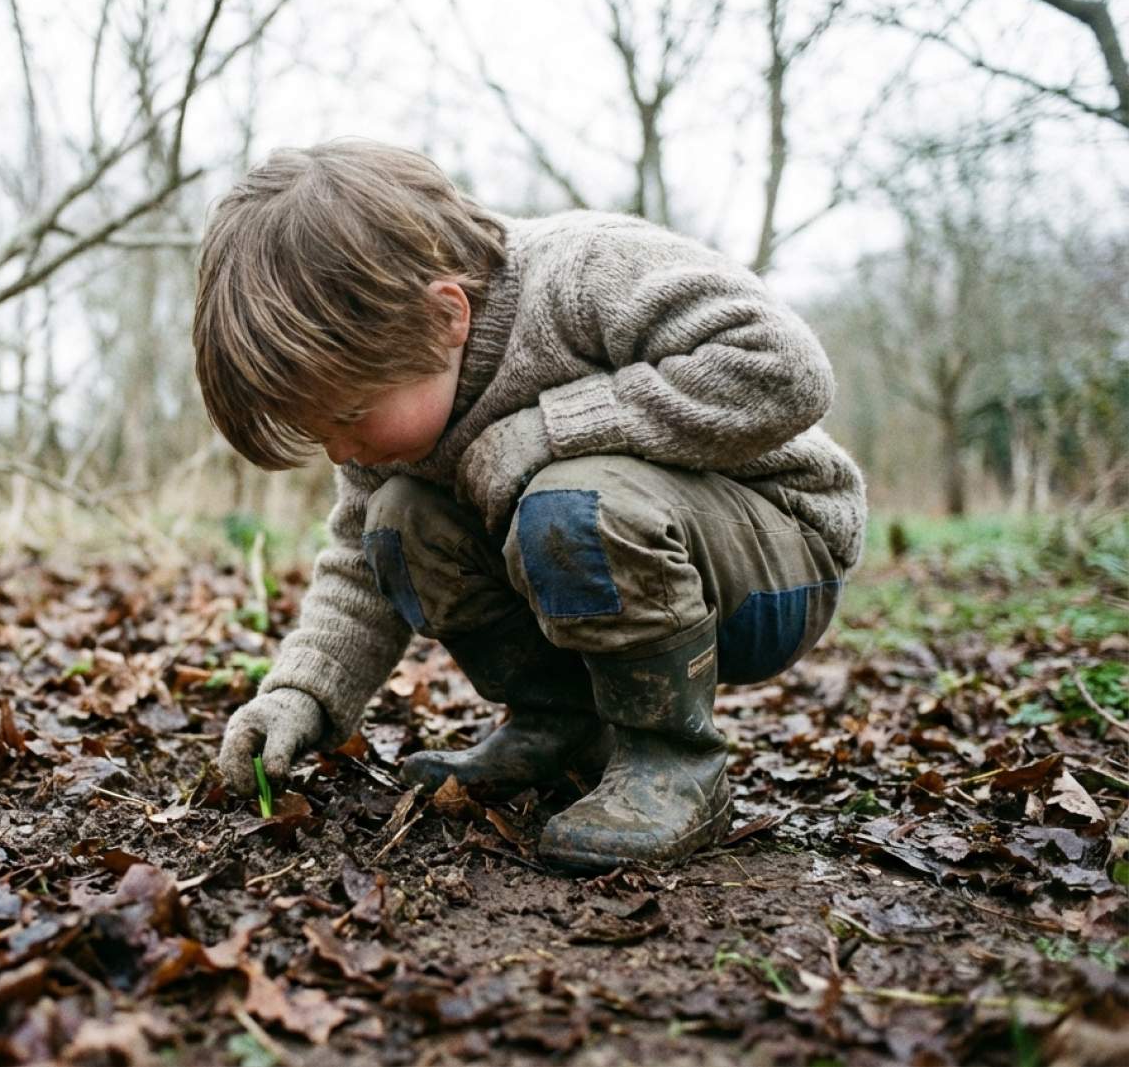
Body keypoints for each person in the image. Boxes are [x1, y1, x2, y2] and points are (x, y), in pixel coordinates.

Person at [191, 139, 866, 871]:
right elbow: (357, 563)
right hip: (633, 554)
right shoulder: (395, 416)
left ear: (445, 316)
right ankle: (562, 725)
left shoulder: (585, 271)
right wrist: (300, 697)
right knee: (397, 521)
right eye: (320, 430)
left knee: (568, 502)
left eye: (350, 414)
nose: (341, 451)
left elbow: (785, 369)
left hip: (777, 558)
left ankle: (673, 761)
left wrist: (549, 430)